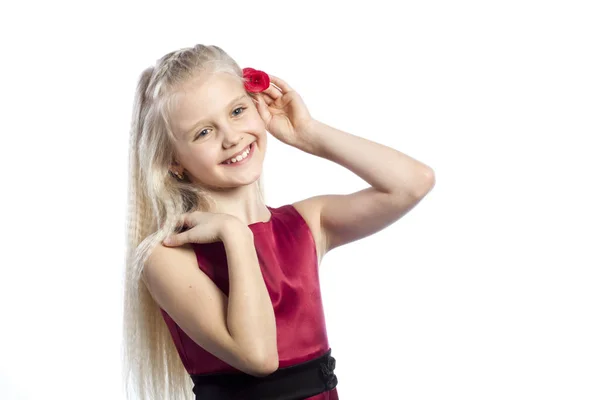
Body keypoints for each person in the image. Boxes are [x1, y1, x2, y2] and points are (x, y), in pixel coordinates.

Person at [121, 44, 435, 400]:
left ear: (257, 106)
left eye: (237, 111)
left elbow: (413, 183)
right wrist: (234, 235)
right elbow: (259, 357)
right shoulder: (167, 256)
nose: (232, 137)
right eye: (203, 132)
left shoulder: (307, 223)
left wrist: (308, 133)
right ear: (173, 161)